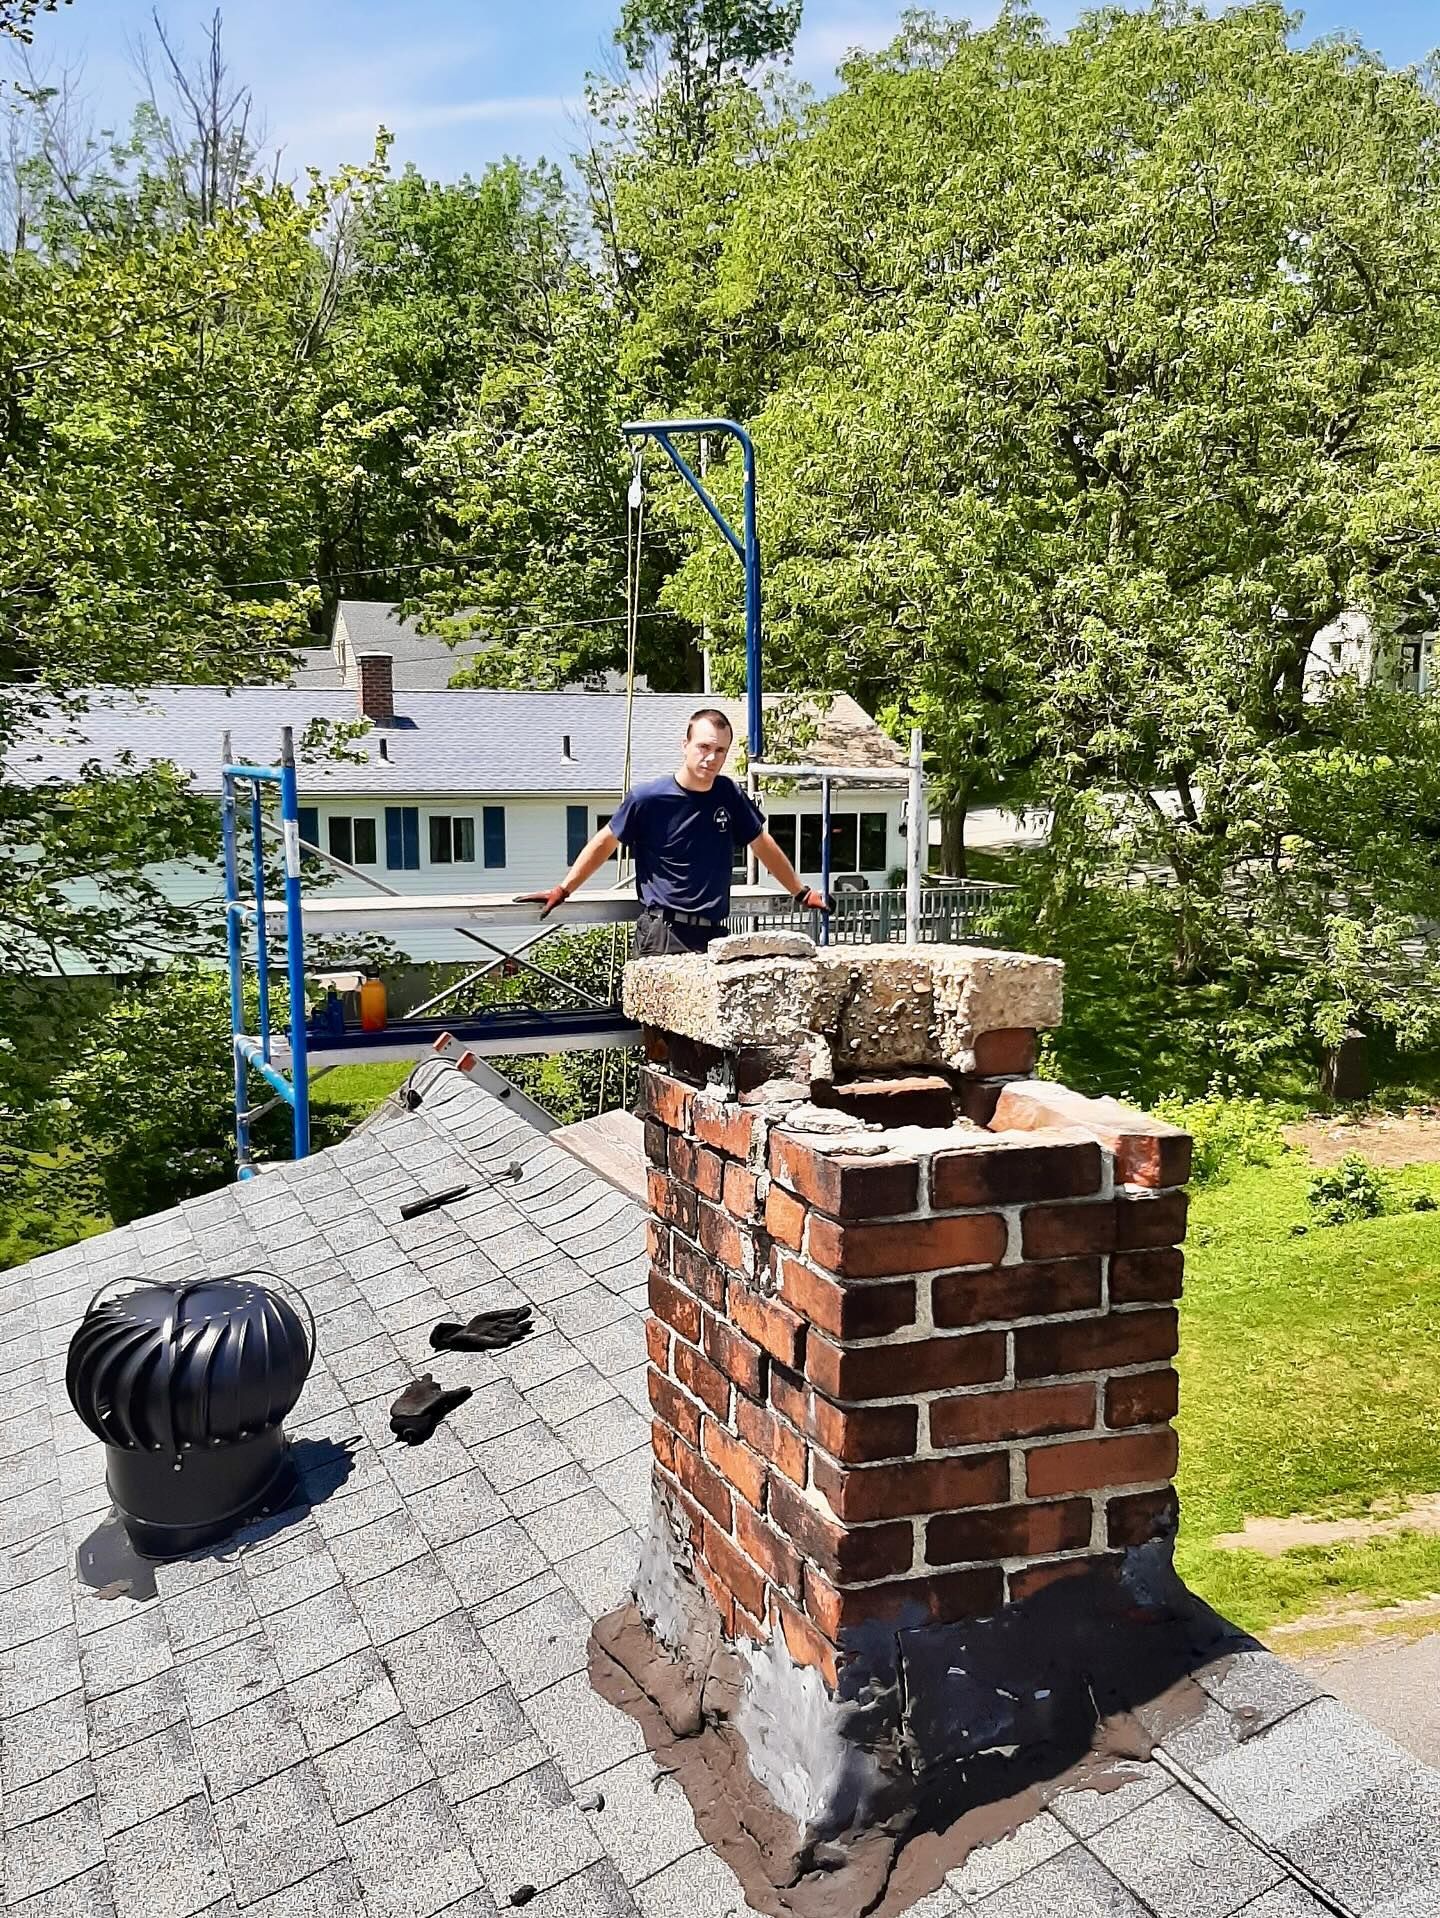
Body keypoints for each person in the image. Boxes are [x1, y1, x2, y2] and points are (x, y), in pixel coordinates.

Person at [518, 707, 828, 954]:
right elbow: (605, 842)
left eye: (720, 750)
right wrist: (564, 889)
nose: (711, 757)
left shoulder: (728, 794)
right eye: (704, 746)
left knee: (709, 1035)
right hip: (664, 932)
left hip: (715, 933)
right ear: (685, 745)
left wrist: (800, 892)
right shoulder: (648, 798)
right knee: (662, 1035)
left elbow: (761, 843)